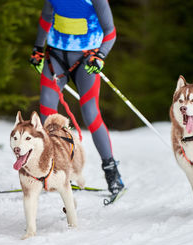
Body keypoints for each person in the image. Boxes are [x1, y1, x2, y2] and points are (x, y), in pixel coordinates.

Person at [29, 0, 124, 195]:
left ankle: (112, 172)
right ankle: (52, 171)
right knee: (47, 113)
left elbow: (110, 31)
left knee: (90, 114)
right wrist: (38, 48)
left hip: (86, 59)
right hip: (55, 57)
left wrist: (101, 55)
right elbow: (47, 17)